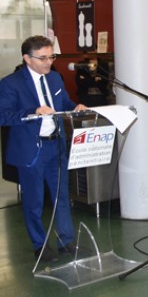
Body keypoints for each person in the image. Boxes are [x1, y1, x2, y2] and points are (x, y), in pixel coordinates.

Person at [0, 35, 87, 261]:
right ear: (27, 59)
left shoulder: (56, 79)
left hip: (56, 146)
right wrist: (33, 112)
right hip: (31, 150)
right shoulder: (11, 83)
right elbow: (4, 115)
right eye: (43, 58)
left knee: (61, 196)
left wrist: (75, 107)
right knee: (34, 200)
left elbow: (64, 103)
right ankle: (40, 244)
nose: (48, 62)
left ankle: (66, 242)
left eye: (51, 57)